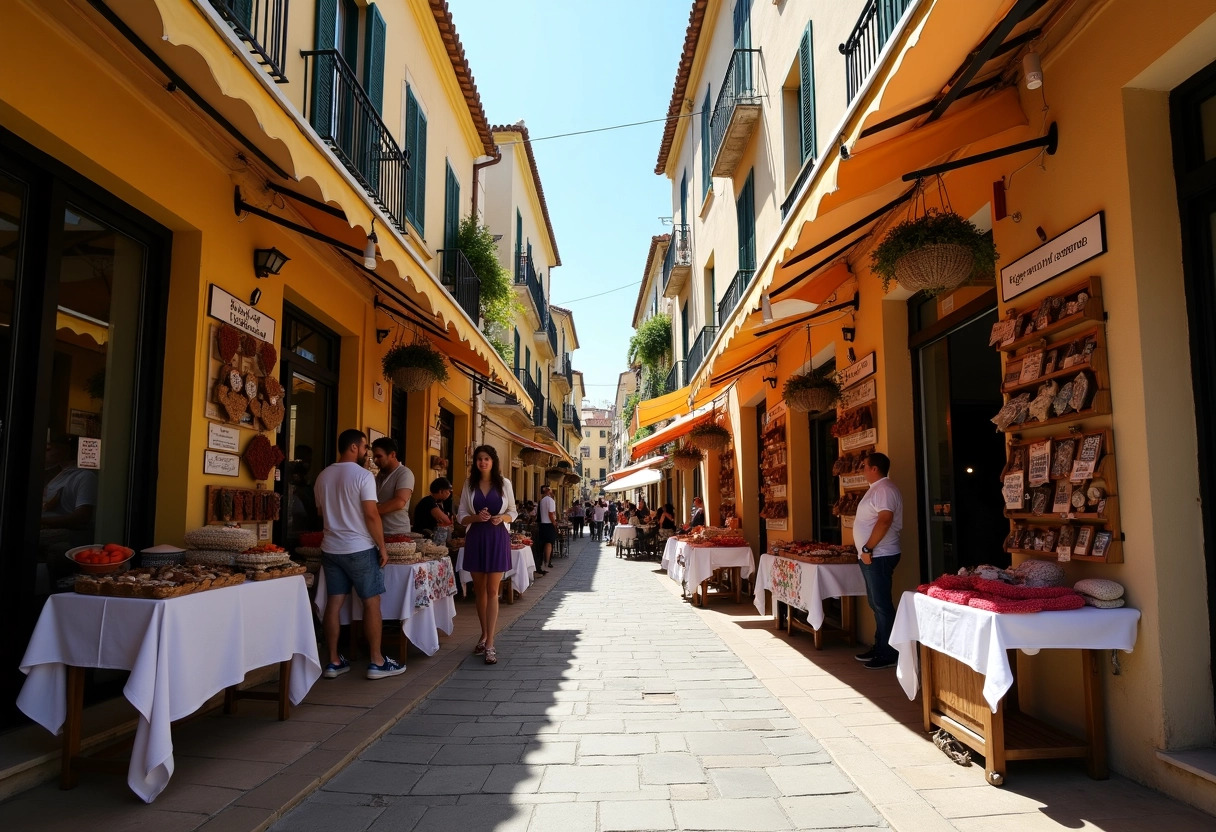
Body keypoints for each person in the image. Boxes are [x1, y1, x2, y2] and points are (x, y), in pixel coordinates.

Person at [315, 429, 404, 680]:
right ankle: (376, 661)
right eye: (365, 447)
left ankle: (333, 660)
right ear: (354, 447)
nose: (367, 452)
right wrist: (382, 547)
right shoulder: (363, 476)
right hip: (359, 548)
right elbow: (371, 514)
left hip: (331, 548)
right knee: (371, 602)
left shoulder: (323, 476)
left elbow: (321, 512)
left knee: (334, 602)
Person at [456, 445, 517, 665]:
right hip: (476, 538)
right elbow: (461, 515)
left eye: (487, 459)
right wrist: (475, 518)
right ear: (476, 462)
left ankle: (490, 643)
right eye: (479, 459)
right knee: (479, 591)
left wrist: (502, 518)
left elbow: (513, 511)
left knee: (493, 591)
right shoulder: (468, 484)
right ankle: (483, 634)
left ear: (493, 461)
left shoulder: (504, 484)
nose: (483, 462)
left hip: (497, 537)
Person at [853, 451, 904, 670]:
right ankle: (880, 645)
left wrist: (868, 547)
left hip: (879, 554)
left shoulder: (884, 489)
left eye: (864, 466)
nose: (862, 470)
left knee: (882, 605)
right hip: (872, 555)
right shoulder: (877, 489)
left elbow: (884, 521)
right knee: (876, 604)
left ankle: (889, 652)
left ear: (875, 468)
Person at [370, 437, 414, 536]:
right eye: (374, 457)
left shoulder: (404, 473)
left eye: (379, 456)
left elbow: (400, 501)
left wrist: (371, 512)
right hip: (378, 531)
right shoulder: (380, 475)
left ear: (392, 455)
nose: (375, 461)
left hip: (397, 532)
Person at [537, 484, 557, 573]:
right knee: (549, 543)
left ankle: (542, 563)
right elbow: (551, 513)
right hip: (549, 524)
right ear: (549, 491)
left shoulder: (542, 501)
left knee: (542, 544)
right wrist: (554, 523)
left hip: (542, 524)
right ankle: (547, 562)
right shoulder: (551, 501)